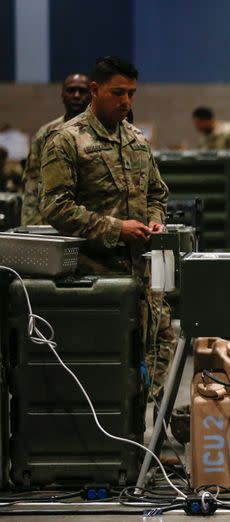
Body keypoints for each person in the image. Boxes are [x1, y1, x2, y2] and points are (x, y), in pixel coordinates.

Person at [39, 56, 177, 406]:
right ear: (95, 90)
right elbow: (55, 206)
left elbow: (157, 193)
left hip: (143, 277)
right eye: (118, 93)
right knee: (105, 366)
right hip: (97, 280)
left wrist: (155, 218)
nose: (126, 102)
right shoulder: (66, 141)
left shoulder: (135, 139)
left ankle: (139, 439)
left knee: (156, 348)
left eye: (132, 93)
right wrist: (117, 228)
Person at [22, 73, 91, 225]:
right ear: (62, 94)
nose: (76, 95)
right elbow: (33, 184)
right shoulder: (47, 133)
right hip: (50, 222)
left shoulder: (100, 132)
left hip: (90, 222)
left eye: (82, 91)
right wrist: (31, 226)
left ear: (92, 94)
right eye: (71, 90)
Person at [191, 106, 230, 248]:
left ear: (204, 121)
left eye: (197, 124)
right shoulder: (204, 138)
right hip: (216, 187)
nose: (197, 128)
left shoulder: (229, 131)